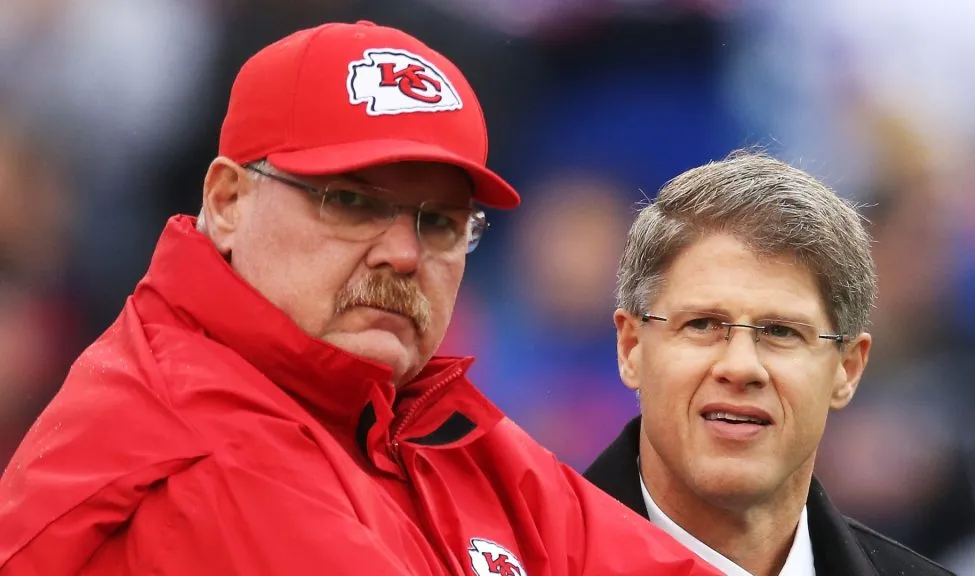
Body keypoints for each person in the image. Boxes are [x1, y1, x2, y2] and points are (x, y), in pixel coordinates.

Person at [0, 22, 718, 576]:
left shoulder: (410, 414)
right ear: (226, 201)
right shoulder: (194, 445)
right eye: (349, 202)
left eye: (438, 222)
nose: (403, 254)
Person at [583, 151, 954, 575]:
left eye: (781, 332)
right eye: (702, 324)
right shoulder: (525, 559)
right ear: (632, 347)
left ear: (847, 369)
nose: (741, 367)